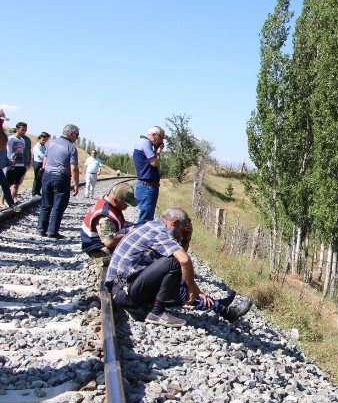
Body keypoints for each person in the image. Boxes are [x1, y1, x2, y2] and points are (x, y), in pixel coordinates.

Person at [104, 208, 253, 327]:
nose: (180, 235)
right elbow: (183, 259)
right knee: (175, 265)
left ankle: (221, 308)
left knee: (176, 278)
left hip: (122, 287)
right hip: (124, 293)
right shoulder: (160, 233)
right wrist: (193, 290)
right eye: (181, 230)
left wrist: (186, 238)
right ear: (174, 223)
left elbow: (180, 262)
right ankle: (157, 313)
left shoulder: (153, 226)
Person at [37, 124, 80, 239]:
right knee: (59, 205)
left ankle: (41, 229)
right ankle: (52, 231)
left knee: (46, 203)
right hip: (61, 178)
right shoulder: (71, 148)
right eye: (77, 135)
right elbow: (74, 168)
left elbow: (45, 160)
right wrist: (76, 184)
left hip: (47, 175)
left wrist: (44, 173)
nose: (77, 138)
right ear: (71, 134)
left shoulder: (51, 143)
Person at [81, 182, 138, 266]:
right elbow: (109, 242)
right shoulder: (105, 217)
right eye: (126, 204)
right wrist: (128, 233)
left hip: (101, 240)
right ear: (116, 200)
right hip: (98, 249)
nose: (127, 207)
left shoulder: (107, 201)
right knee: (137, 254)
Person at [133, 126, 164, 223]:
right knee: (145, 220)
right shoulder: (146, 143)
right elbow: (154, 163)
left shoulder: (141, 142)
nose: (162, 141)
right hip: (147, 187)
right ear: (155, 135)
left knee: (145, 216)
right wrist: (158, 151)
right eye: (161, 138)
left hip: (145, 186)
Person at [5, 121, 28, 204]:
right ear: (17, 129)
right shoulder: (10, 139)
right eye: (22, 129)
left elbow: (21, 151)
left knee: (16, 184)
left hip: (20, 163)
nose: (24, 131)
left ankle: (12, 200)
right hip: (11, 164)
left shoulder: (23, 140)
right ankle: (2, 202)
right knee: (7, 184)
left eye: (25, 129)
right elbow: (5, 149)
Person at [0, 109, 18, 210]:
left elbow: (2, 151)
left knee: (5, 184)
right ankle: (11, 205)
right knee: (4, 184)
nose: (2, 122)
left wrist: (7, 161)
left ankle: (12, 205)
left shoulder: (2, 133)